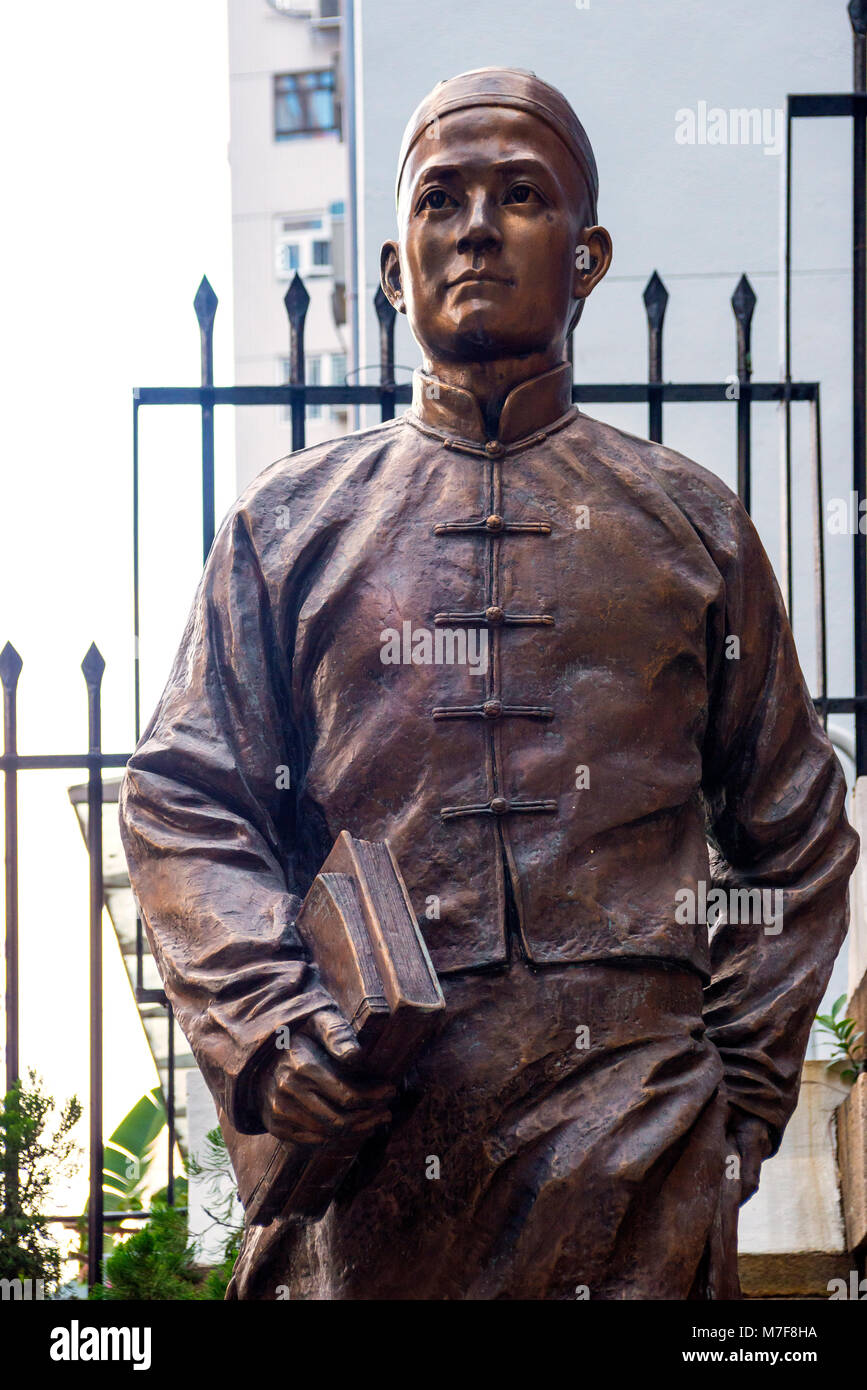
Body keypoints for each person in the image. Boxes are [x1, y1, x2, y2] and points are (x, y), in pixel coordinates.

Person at [119, 68, 858, 1299]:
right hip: (371, 1160)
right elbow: (184, 800)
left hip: (641, 1160)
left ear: (588, 256)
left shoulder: (694, 528)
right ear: (397, 267)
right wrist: (268, 1024)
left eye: (521, 195)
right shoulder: (289, 527)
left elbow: (797, 831)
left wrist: (735, 1095)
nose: (475, 225)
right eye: (440, 197)